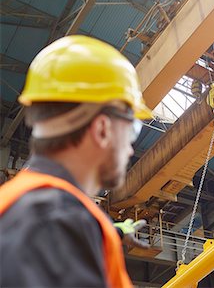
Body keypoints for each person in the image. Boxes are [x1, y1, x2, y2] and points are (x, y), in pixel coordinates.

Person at [0, 35, 154, 287]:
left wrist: (112, 232)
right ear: (103, 129)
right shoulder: (58, 220)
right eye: (131, 131)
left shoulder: (26, 208)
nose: (129, 150)